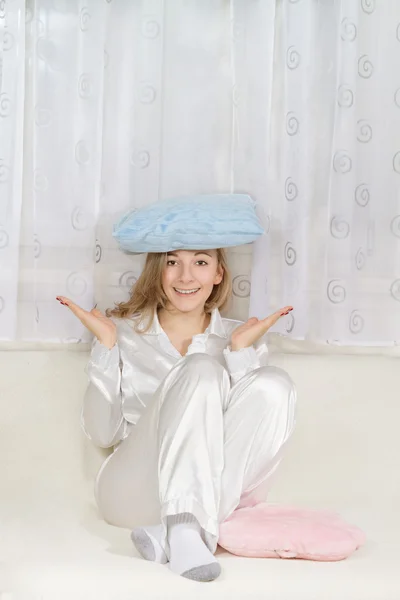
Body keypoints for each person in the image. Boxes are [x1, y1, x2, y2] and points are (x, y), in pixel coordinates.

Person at [56, 247, 296, 582]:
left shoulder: (240, 335)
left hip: (210, 493)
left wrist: (240, 355)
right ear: (158, 271)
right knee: (200, 368)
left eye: (200, 262)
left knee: (275, 384)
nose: (186, 276)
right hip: (132, 489)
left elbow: (248, 441)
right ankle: (184, 528)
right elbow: (101, 433)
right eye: (172, 262)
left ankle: (175, 530)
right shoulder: (121, 332)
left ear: (218, 274)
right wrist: (107, 347)